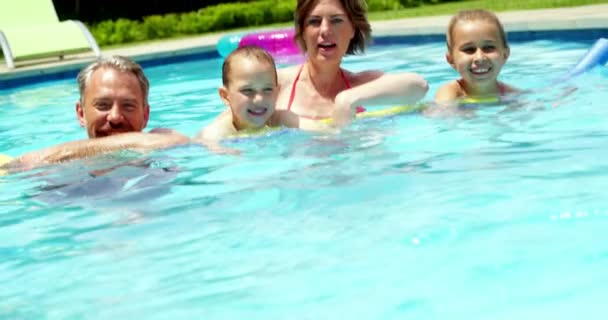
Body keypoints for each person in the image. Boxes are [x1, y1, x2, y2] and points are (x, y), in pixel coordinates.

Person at [8, 55, 190, 170]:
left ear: (145, 115)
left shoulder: (162, 144)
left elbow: (177, 142)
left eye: (128, 106)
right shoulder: (61, 174)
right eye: (103, 105)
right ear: (81, 113)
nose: (115, 117)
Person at [274, 0, 429, 127]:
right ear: (302, 31)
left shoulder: (361, 85)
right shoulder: (277, 83)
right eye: (314, 21)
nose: (325, 30)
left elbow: (418, 86)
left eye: (336, 20)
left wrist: (347, 99)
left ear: (353, 29)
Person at [194, 45, 333, 153]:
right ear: (225, 96)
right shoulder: (215, 136)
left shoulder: (282, 120)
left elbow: (327, 131)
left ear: (277, 92)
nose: (259, 99)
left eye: (267, 90)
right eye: (247, 91)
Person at [435, 9, 517, 104]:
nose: (480, 58)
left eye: (489, 47)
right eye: (469, 49)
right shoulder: (450, 92)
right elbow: (442, 112)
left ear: (505, 55)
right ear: (451, 59)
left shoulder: (510, 93)